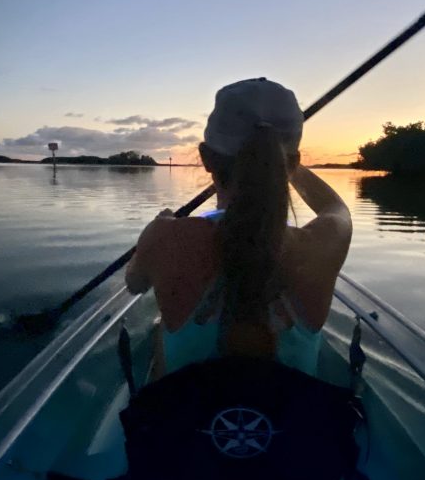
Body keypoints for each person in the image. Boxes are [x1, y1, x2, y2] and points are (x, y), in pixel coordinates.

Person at [125, 76, 352, 378]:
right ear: (292, 163)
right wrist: (280, 161)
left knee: (158, 336)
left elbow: (134, 283)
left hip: (186, 418)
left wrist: (158, 230)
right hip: (294, 418)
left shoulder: (164, 237)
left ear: (206, 158)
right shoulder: (320, 245)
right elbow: (337, 210)